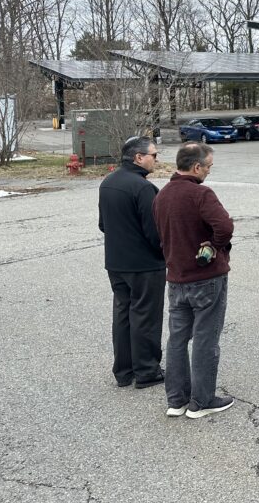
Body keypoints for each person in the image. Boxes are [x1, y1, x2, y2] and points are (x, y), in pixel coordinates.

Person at [153, 142, 235, 419]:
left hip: (176, 277)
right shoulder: (201, 194)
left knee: (177, 338)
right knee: (205, 338)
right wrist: (215, 245)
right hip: (206, 277)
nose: (210, 171)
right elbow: (225, 226)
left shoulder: (162, 195)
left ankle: (176, 400)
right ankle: (202, 400)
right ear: (197, 166)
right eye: (209, 166)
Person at [98, 136, 165, 389]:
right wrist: (164, 254)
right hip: (144, 265)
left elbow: (103, 224)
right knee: (145, 316)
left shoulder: (109, 182)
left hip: (116, 264)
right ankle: (147, 371)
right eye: (153, 155)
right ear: (138, 157)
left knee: (123, 315)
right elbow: (154, 232)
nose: (156, 160)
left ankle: (124, 371)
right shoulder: (142, 187)